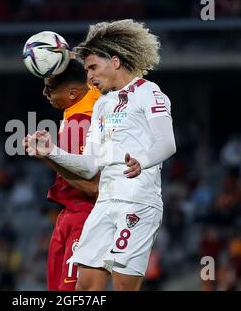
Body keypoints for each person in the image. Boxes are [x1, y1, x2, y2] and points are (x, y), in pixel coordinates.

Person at [26, 19, 176, 291]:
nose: (90, 76)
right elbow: (87, 166)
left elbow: (167, 143)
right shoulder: (103, 106)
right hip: (105, 202)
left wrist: (143, 160)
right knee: (85, 285)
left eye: (93, 68)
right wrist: (52, 152)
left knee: (122, 285)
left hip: (137, 200)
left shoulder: (149, 92)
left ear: (115, 62)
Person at [23, 59, 100, 290]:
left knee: (71, 292)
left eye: (50, 87)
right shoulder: (77, 109)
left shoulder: (81, 121)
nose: (45, 92)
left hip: (83, 215)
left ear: (73, 92)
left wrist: (48, 155)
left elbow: (93, 187)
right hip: (69, 214)